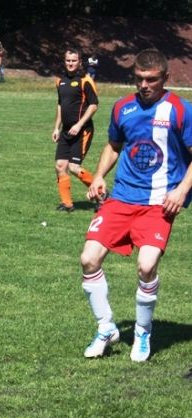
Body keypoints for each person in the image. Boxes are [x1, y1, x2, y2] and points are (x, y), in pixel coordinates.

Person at [80, 49, 192, 362]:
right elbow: (114, 146)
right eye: (139, 79)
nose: (144, 85)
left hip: (159, 203)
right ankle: (106, 328)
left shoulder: (181, 110)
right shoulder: (122, 107)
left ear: (165, 78)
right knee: (88, 259)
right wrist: (99, 176)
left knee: (146, 265)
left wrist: (181, 190)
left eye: (151, 79)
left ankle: (142, 331)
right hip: (121, 198)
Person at [52, 48, 99, 212]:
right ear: (64, 61)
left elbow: (93, 105)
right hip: (65, 131)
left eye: (74, 60)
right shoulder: (60, 81)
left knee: (73, 167)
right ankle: (67, 203)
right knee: (60, 165)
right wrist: (56, 128)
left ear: (79, 62)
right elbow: (60, 104)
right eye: (68, 60)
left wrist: (79, 125)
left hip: (82, 131)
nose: (70, 63)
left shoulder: (85, 80)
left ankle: (101, 193)